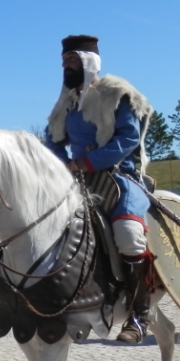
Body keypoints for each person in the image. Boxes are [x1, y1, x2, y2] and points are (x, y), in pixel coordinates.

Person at [43, 34, 154, 343]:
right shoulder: (66, 103)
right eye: (63, 60)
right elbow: (52, 141)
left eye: (71, 60)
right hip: (76, 180)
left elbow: (128, 138)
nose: (65, 66)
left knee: (129, 235)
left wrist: (86, 162)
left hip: (117, 177)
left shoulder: (116, 94)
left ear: (88, 61)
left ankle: (138, 315)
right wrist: (60, 165)